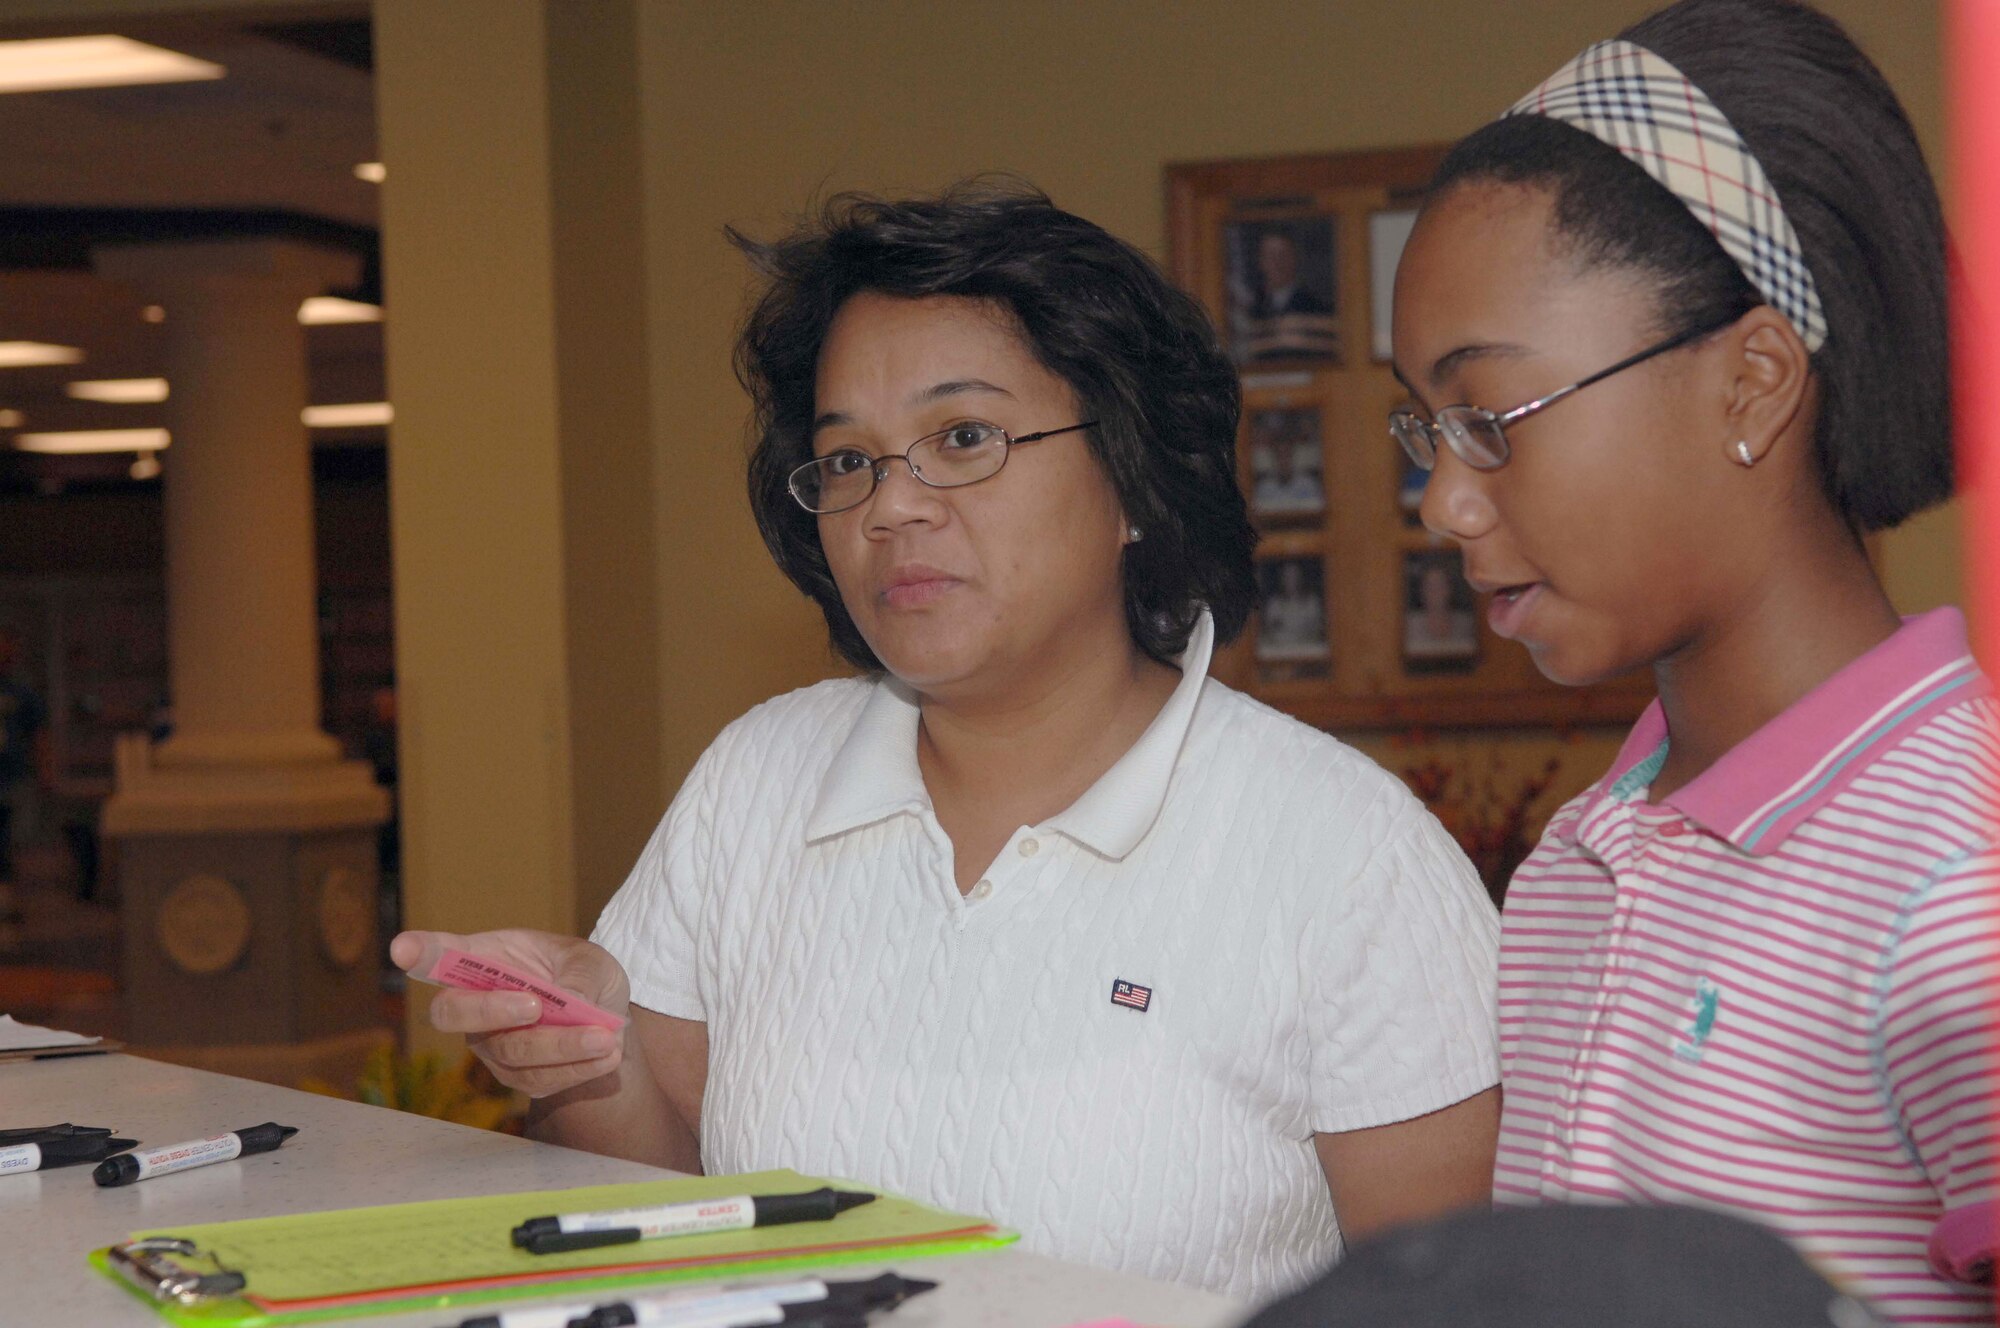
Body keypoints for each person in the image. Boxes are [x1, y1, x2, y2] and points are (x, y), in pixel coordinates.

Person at [398, 183, 1503, 1301]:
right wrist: (592, 1058)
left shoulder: (1347, 852)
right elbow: (666, 1209)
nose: (891, 506)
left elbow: (1450, 1303)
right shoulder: (757, 777)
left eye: (962, 438)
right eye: (846, 460)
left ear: (1132, 479)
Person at [1388, 2, 1995, 1323]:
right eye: (1425, 428)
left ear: (1753, 383)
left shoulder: (1960, 877)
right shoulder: (1575, 864)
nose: (1440, 501)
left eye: (1488, 418)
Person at [0, 628, 51, 945]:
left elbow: (39, 736)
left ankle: (11, 909)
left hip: (13, 780)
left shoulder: (23, 694)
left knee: (12, 844)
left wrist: (46, 772)